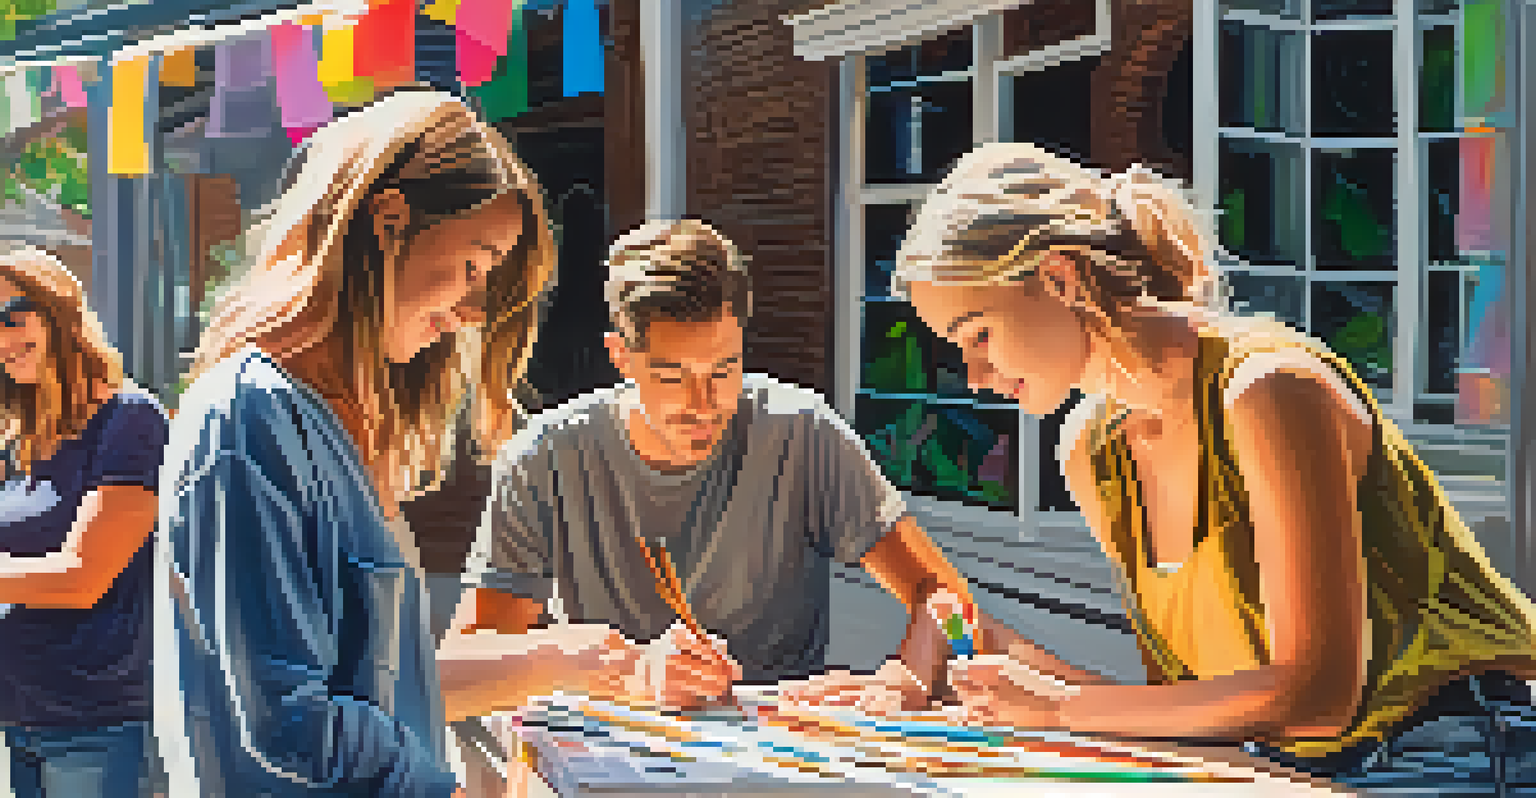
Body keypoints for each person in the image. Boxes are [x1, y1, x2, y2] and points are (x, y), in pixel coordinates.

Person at [890, 142, 1536, 791]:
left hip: (1462, 743)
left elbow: (1317, 695)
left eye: (978, 334)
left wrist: (1059, 709)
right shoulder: (1094, 451)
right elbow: (1189, 713)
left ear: (1059, 279)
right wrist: (1006, 664)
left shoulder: (1267, 389)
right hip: (1313, 765)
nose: (973, 377)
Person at [438, 218, 1028, 731]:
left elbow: (944, 596)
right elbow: (472, 656)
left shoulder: (800, 432)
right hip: (608, 754)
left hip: (781, 755)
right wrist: (628, 674)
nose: (703, 402)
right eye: (672, 377)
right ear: (621, 357)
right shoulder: (544, 457)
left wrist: (905, 681)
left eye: (724, 369)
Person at [152, 88, 556, 798]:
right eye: (472, 266)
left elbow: (381, 688)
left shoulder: (338, 419)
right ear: (389, 221)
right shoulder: (250, 418)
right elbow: (290, 721)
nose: (469, 313)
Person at [0, 245, 169, 798]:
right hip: (23, 719)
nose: (2, 339)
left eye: (12, 317)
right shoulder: (22, 440)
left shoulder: (129, 422)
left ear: (58, 313)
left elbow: (80, 578)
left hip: (100, 725)